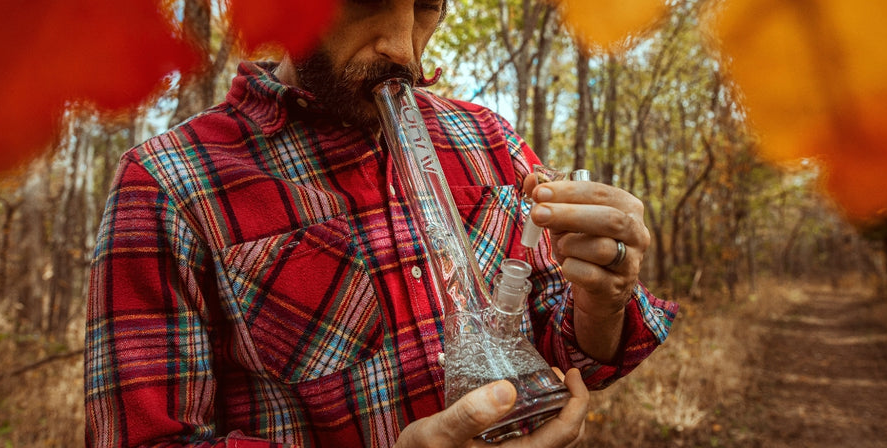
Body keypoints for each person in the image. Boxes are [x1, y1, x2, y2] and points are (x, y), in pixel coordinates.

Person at [84, 0, 678, 446]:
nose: (404, 49)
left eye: (426, 7)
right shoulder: (169, 183)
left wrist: (604, 301)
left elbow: (568, 346)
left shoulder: (488, 139)